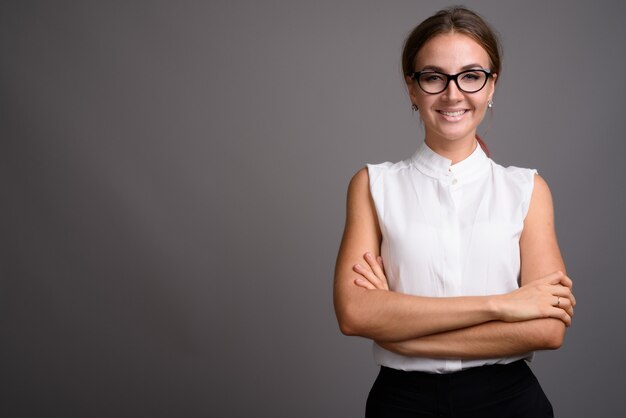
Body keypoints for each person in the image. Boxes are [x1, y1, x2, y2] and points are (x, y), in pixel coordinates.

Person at [333, 6, 576, 417]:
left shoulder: (527, 189)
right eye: (433, 77)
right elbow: (355, 314)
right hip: (402, 404)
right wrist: (502, 305)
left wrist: (400, 332)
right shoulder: (373, 185)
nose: (453, 93)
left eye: (470, 75)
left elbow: (547, 328)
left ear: (491, 85)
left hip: (509, 403)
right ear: (412, 88)